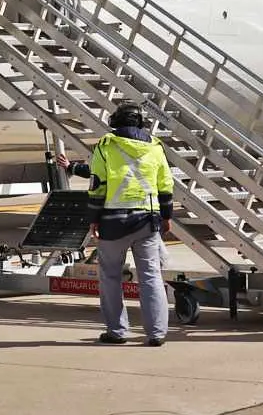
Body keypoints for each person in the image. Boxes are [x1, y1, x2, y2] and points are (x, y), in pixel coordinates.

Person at [82, 101, 174, 346]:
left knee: (110, 277)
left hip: (113, 222)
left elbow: (98, 186)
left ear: (115, 122)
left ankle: (117, 331)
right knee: (151, 277)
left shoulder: (106, 145)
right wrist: (167, 216)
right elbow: (165, 185)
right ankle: (156, 333)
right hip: (147, 221)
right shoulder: (156, 147)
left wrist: (93, 219)